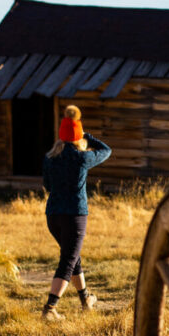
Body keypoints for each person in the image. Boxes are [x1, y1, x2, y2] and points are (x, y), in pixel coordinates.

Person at [41, 105, 111, 320]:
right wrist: (86, 135)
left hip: (53, 216)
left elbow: (47, 186)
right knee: (68, 261)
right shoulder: (82, 158)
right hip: (75, 215)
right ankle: (50, 309)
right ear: (77, 136)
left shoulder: (50, 158)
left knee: (73, 257)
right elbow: (106, 150)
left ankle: (85, 299)